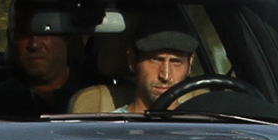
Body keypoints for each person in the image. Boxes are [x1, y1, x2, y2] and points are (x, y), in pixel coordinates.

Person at [0, 8, 97, 118]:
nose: (34, 44)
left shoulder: (101, 97)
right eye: (23, 33)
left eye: (45, 32)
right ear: (11, 38)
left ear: (67, 37)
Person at [70, 28, 201, 115]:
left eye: (176, 62)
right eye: (155, 60)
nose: (165, 75)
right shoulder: (109, 129)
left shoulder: (205, 125)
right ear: (132, 61)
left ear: (190, 65)